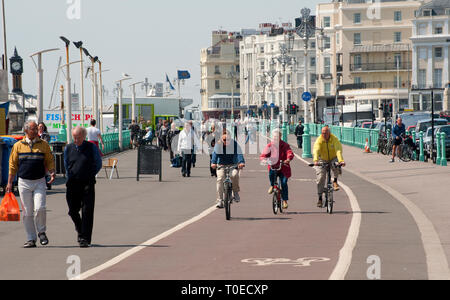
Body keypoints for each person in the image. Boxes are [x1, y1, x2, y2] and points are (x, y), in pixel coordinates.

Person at [8, 121, 56, 248]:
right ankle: (31, 238)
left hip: (39, 181)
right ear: (26, 130)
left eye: (36, 129)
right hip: (24, 182)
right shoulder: (18, 146)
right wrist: (9, 183)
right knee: (27, 212)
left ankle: (41, 232)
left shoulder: (43, 145)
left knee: (40, 207)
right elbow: (12, 165)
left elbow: (49, 160)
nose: (36, 131)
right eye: (33, 129)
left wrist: (52, 172)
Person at [64, 127, 103, 248]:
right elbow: (66, 164)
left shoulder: (91, 147)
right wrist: (69, 175)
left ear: (84, 136)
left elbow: (98, 163)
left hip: (87, 183)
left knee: (87, 211)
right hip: (73, 183)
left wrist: (90, 174)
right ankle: (80, 228)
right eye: (74, 137)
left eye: (78, 137)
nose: (75, 140)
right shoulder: (68, 148)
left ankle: (84, 238)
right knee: (72, 210)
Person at [260, 129, 294, 210]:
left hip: (283, 168)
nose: (275, 139)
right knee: (271, 174)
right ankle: (272, 185)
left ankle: (285, 200)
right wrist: (264, 159)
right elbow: (263, 154)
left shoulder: (285, 145)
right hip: (273, 167)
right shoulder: (269, 146)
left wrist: (288, 159)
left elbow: (289, 152)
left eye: (277, 137)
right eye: (274, 137)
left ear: (280, 137)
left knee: (284, 183)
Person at [211, 129, 246, 209]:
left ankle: (235, 192)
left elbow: (239, 153)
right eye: (224, 140)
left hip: (232, 164)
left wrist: (241, 162)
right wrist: (213, 163)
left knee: (235, 174)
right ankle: (220, 200)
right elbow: (215, 154)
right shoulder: (218, 145)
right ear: (221, 139)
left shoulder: (234, 144)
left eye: (228, 139)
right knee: (220, 179)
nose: (226, 141)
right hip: (221, 165)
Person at [313, 126, 346, 208]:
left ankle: (335, 181)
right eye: (323, 133)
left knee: (336, 165)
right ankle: (320, 198)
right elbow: (316, 150)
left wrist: (341, 160)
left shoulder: (334, 139)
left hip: (333, 157)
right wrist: (316, 160)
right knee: (320, 177)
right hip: (322, 159)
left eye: (326, 133)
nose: (324, 134)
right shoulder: (319, 140)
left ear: (329, 133)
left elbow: (338, 150)